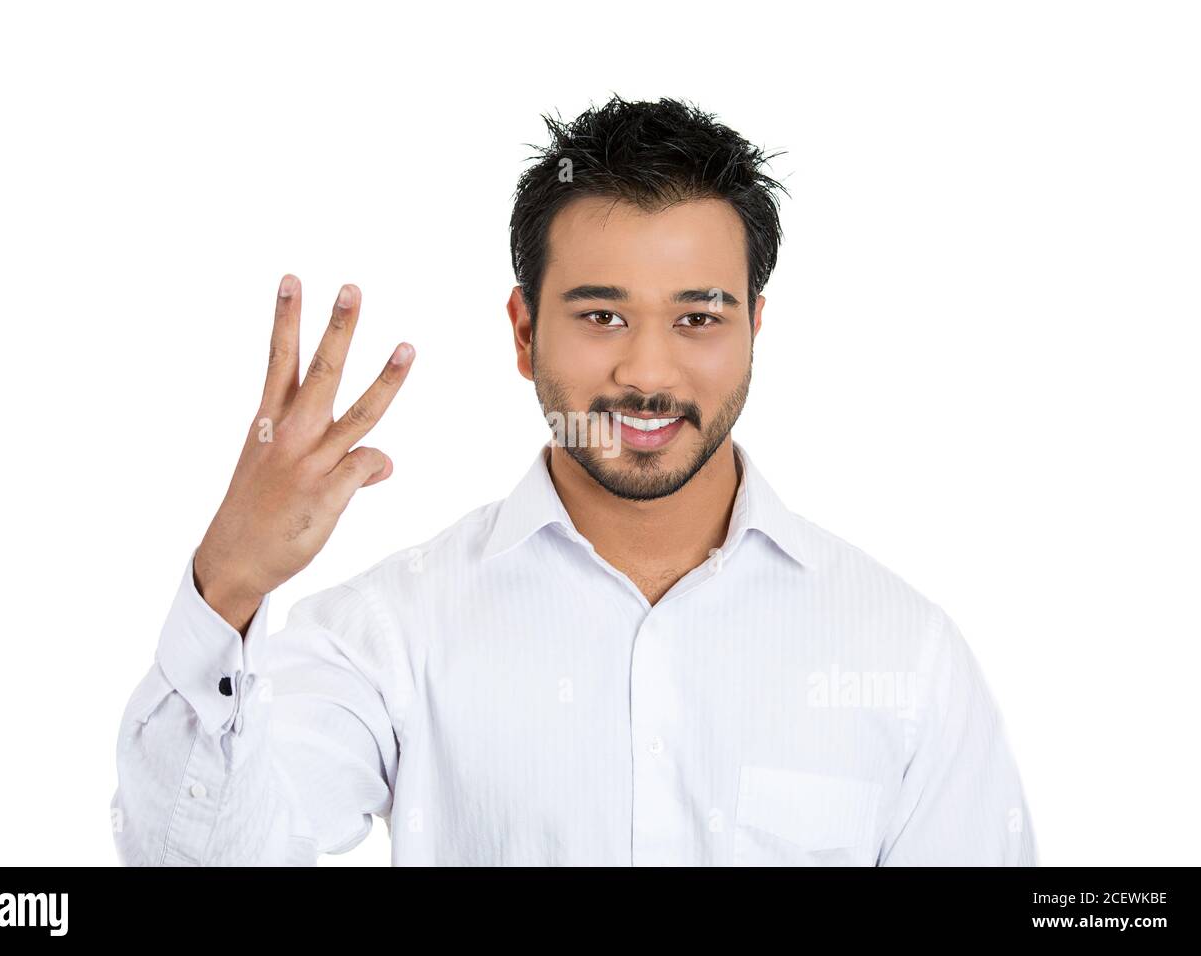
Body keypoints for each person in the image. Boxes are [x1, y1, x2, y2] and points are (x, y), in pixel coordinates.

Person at [110, 96, 1036, 866]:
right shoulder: (393, 634)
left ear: (756, 325)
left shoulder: (903, 652)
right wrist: (226, 587)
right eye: (600, 314)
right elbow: (197, 856)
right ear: (523, 332)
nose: (647, 374)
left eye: (697, 319)